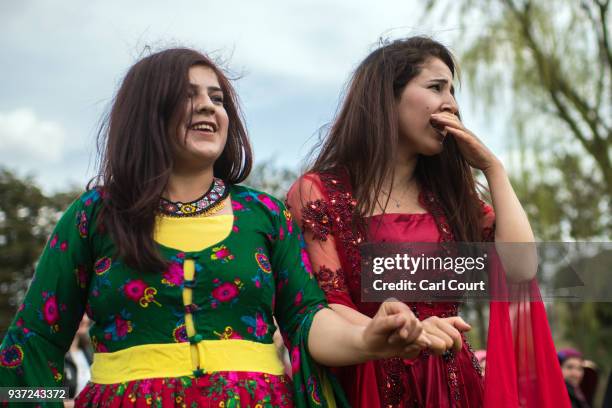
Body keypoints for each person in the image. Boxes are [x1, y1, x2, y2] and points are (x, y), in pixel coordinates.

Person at [0, 47, 448, 407]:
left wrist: (367, 339)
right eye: (187, 95)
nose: (207, 107)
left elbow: (307, 320)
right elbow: (32, 342)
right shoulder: (92, 216)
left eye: (217, 98)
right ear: (145, 113)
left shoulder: (266, 216)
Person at [287, 36, 570, 407]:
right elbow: (329, 306)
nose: (450, 103)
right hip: (368, 381)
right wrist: (408, 334)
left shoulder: (449, 197)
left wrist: (493, 168)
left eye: (452, 91)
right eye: (436, 87)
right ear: (386, 97)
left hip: (456, 385)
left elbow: (521, 266)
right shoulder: (319, 190)